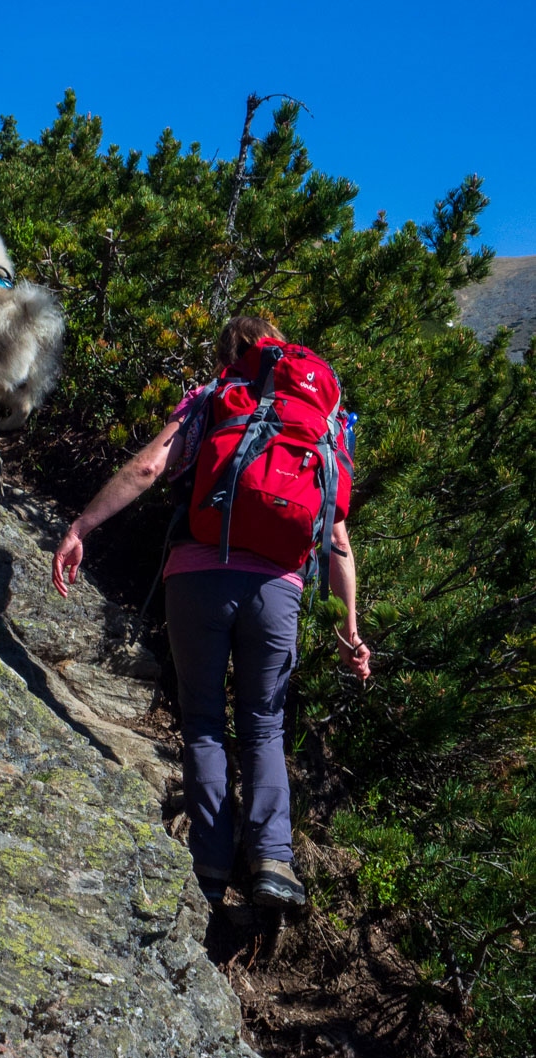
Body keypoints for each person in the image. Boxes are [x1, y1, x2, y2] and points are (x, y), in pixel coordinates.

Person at [52, 316, 372, 909]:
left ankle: (209, 863)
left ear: (232, 351)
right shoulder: (320, 420)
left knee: (202, 721)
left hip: (198, 575)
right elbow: (337, 537)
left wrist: (82, 526)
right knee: (265, 726)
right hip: (277, 586)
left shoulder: (215, 397)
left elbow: (149, 467)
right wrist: (351, 626)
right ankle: (274, 862)